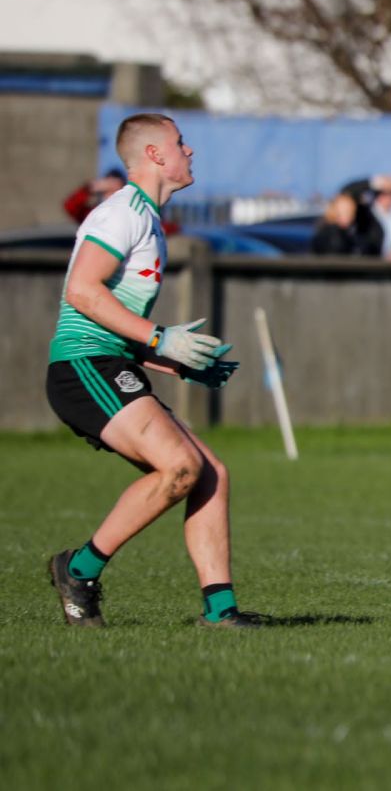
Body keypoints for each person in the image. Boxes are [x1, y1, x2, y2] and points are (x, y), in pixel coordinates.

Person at [44, 113, 264, 629]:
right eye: (181, 143)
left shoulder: (150, 221)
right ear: (156, 156)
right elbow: (82, 292)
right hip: (83, 367)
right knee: (181, 469)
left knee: (210, 475)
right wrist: (161, 336)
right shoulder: (121, 214)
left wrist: (178, 361)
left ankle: (220, 611)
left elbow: (116, 320)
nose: (192, 152)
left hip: (109, 362)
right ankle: (78, 569)